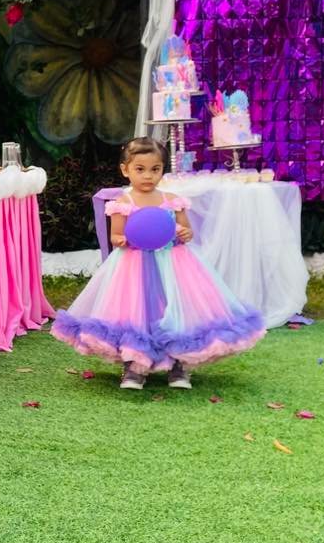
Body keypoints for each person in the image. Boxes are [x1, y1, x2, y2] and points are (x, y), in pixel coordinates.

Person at [52, 137, 266, 390]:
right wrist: (127, 238)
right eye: (140, 169)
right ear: (125, 170)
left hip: (173, 263)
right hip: (134, 264)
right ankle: (135, 366)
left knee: (174, 309)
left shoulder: (172, 200)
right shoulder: (123, 203)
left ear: (163, 169)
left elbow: (186, 231)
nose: (148, 176)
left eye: (155, 169)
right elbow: (115, 236)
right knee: (135, 311)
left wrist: (184, 233)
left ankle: (178, 364)